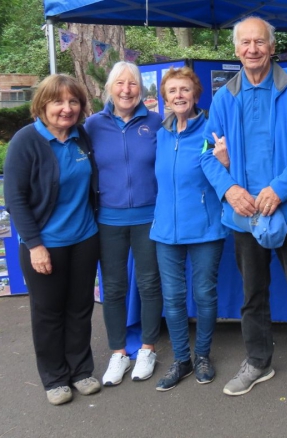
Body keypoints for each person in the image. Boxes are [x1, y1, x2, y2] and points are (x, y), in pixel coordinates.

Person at [201, 16, 287, 400]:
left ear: (271, 47)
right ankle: (257, 361)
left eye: (259, 42)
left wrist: (280, 189)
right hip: (244, 214)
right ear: (236, 50)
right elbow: (205, 154)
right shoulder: (223, 98)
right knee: (253, 293)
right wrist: (229, 188)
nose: (252, 49)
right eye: (245, 43)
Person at [4, 74, 101, 405]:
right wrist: (35, 245)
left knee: (80, 308)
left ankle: (81, 370)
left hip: (84, 238)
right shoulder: (26, 141)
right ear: (42, 105)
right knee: (48, 312)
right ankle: (55, 378)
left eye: (73, 101)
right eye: (58, 101)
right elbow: (14, 199)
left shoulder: (81, 137)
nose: (66, 108)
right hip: (45, 244)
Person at [84, 61, 163, 386]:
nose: (126, 90)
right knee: (113, 287)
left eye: (132, 84)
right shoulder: (91, 126)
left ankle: (147, 348)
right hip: (108, 219)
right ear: (109, 89)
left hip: (148, 216)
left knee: (149, 284)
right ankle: (118, 352)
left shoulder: (158, 122)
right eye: (120, 84)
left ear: (141, 90)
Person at [150, 67, 228, 392]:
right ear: (165, 98)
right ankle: (181, 359)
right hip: (165, 231)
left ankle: (203, 356)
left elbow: (227, 173)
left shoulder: (212, 130)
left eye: (185, 90)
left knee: (204, 294)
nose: (179, 96)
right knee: (173, 297)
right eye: (172, 91)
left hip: (206, 228)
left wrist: (225, 162)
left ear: (196, 95)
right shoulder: (162, 134)